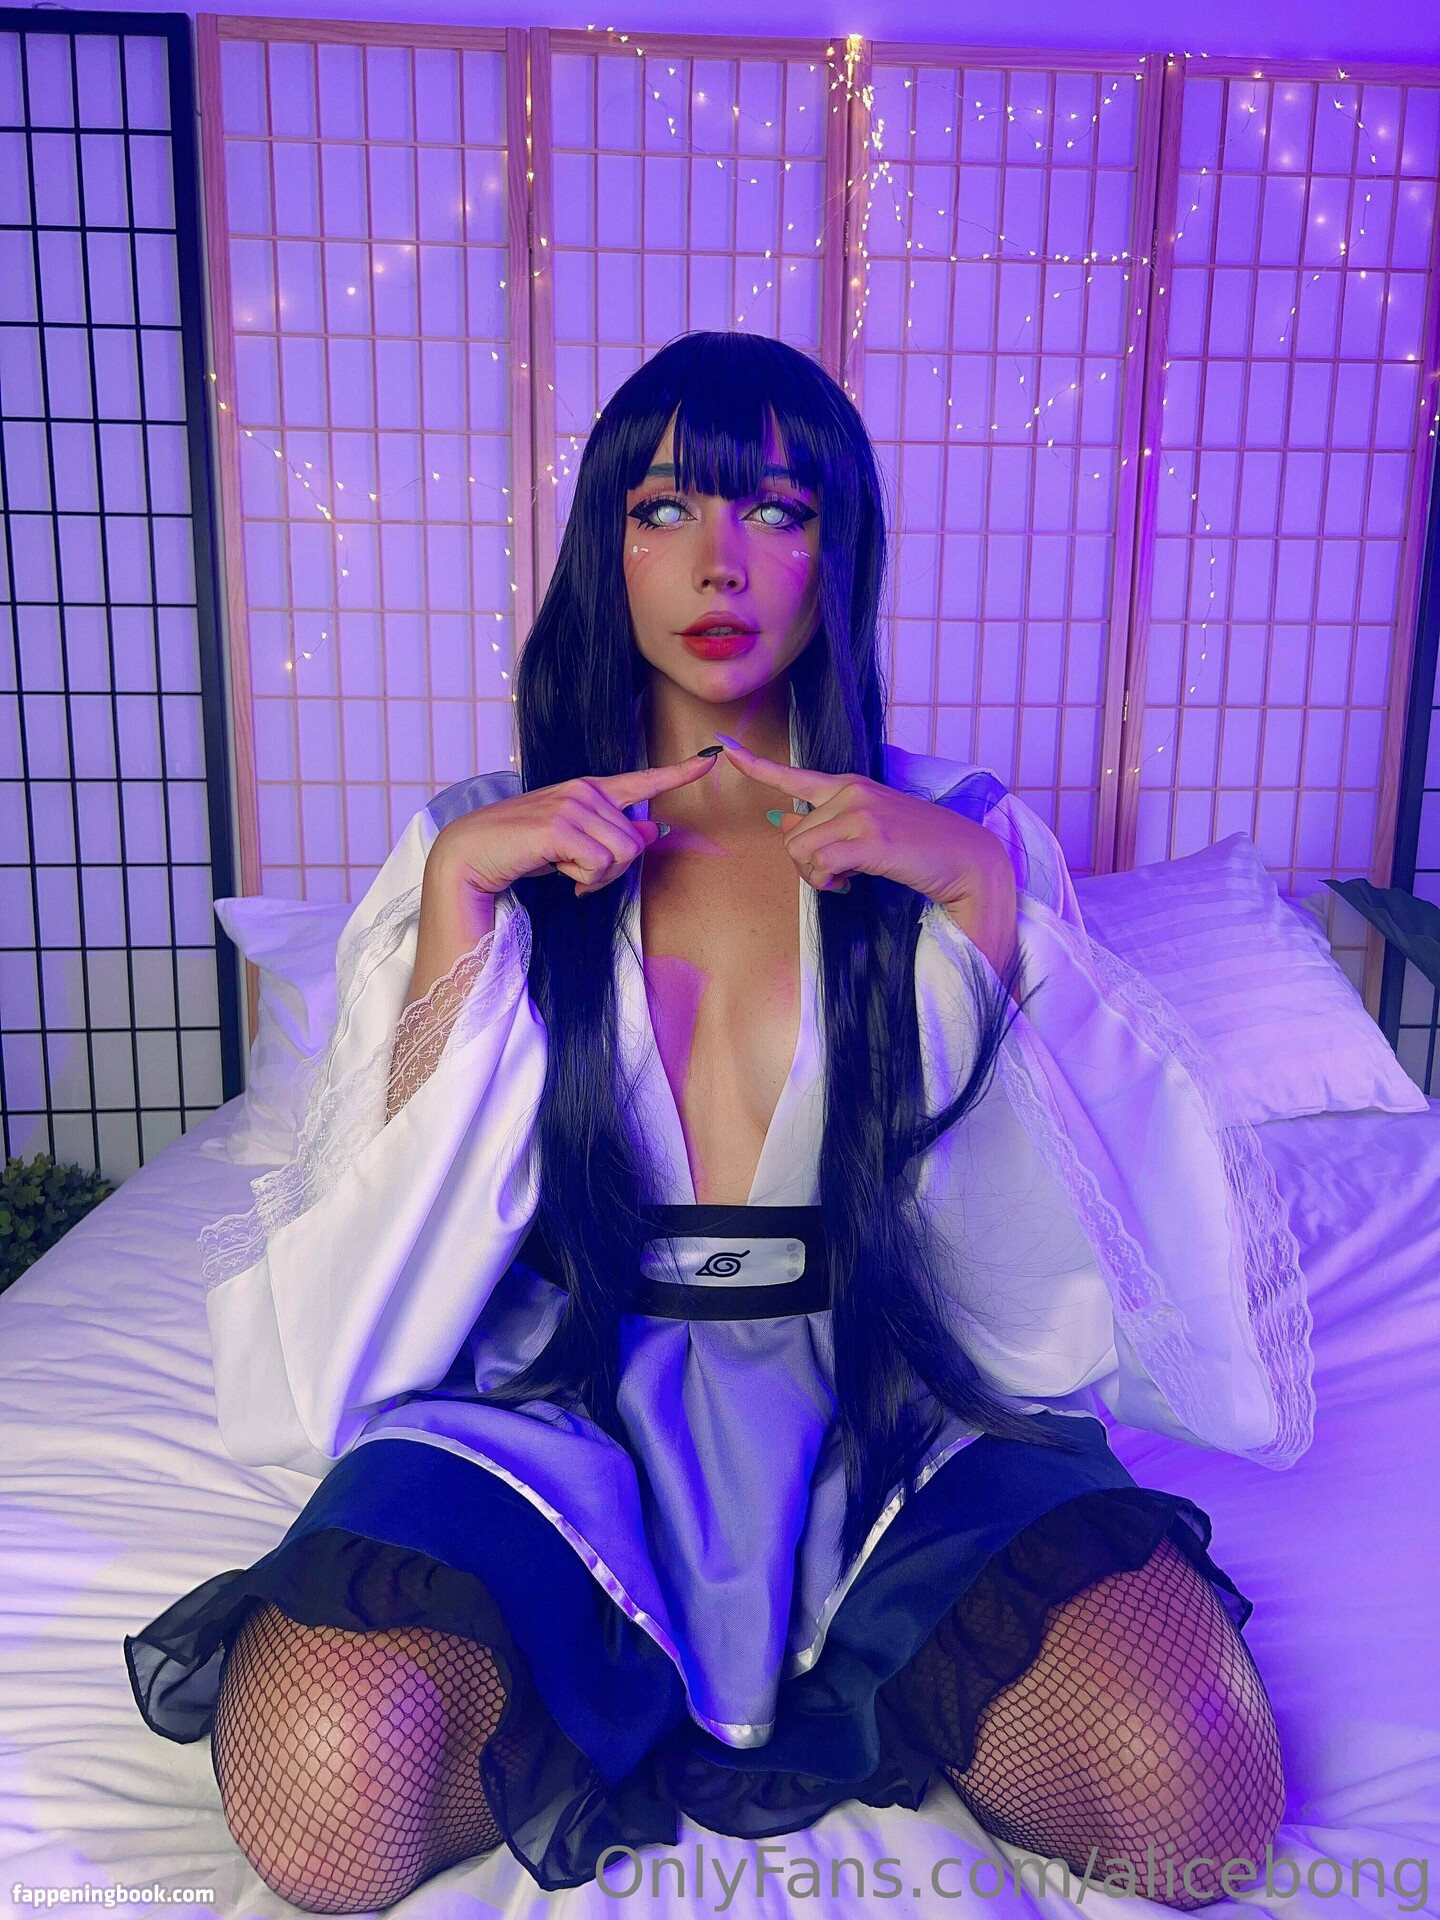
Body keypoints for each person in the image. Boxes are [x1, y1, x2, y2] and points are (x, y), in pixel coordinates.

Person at [125, 330, 1314, 1914]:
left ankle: (865, 1657)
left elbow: (1062, 1230)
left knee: (1195, 1801)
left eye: (778, 510)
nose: (721, 562)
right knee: (326, 1805)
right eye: (666, 507)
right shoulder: (476, 840)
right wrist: (462, 902)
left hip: (894, 1392)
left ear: (840, 547)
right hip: (551, 1397)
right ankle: (591, 1660)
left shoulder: (962, 831)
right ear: (604, 543)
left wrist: (983, 907)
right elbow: (380, 1210)